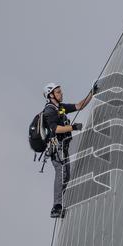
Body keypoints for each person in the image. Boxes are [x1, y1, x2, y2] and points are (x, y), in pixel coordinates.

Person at [43, 82, 97, 218]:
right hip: (57, 148)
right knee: (61, 173)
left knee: (66, 175)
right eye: (58, 92)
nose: (61, 94)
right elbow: (56, 129)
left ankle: (61, 202)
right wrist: (73, 128)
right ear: (51, 95)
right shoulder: (50, 111)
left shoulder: (59, 108)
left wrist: (92, 93)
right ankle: (56, 207)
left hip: (63, 148)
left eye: (60, 91)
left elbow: (79, 106)